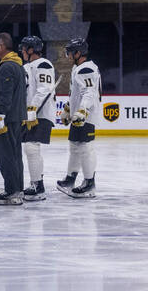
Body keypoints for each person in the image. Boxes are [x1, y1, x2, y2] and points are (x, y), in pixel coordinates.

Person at [56, 38, 102, 199]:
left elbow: (89, 93)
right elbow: (76, 94)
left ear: (78, 53)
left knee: (85, 148)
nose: (68, 55)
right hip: (79, 115)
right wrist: (68, 109)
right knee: (75, 146)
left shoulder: (86, 69)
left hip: (86, 117)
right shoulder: (80, 68)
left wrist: (82, 111)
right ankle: (70, 179)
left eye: (70, 51)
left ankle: (89, 184)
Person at [0, 32, 26, 205]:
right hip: (17, 117)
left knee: (5, 155)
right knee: (15, 154)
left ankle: (12, 191)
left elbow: (6, 95)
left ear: (2, 46)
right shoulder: (18, 65)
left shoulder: (7, 67)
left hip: (8, 119)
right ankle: (17, 188)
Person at [20, 35, 57, 201]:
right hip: (31, 114)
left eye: (23, 48)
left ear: (30, 50)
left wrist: (32, 109)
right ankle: (37, 183)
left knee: (31, 147)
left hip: (40, 114)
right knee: (31, 148)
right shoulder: (28, 66)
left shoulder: (43, 64)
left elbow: (44, 89)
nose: (21, 51)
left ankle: (38, 186)